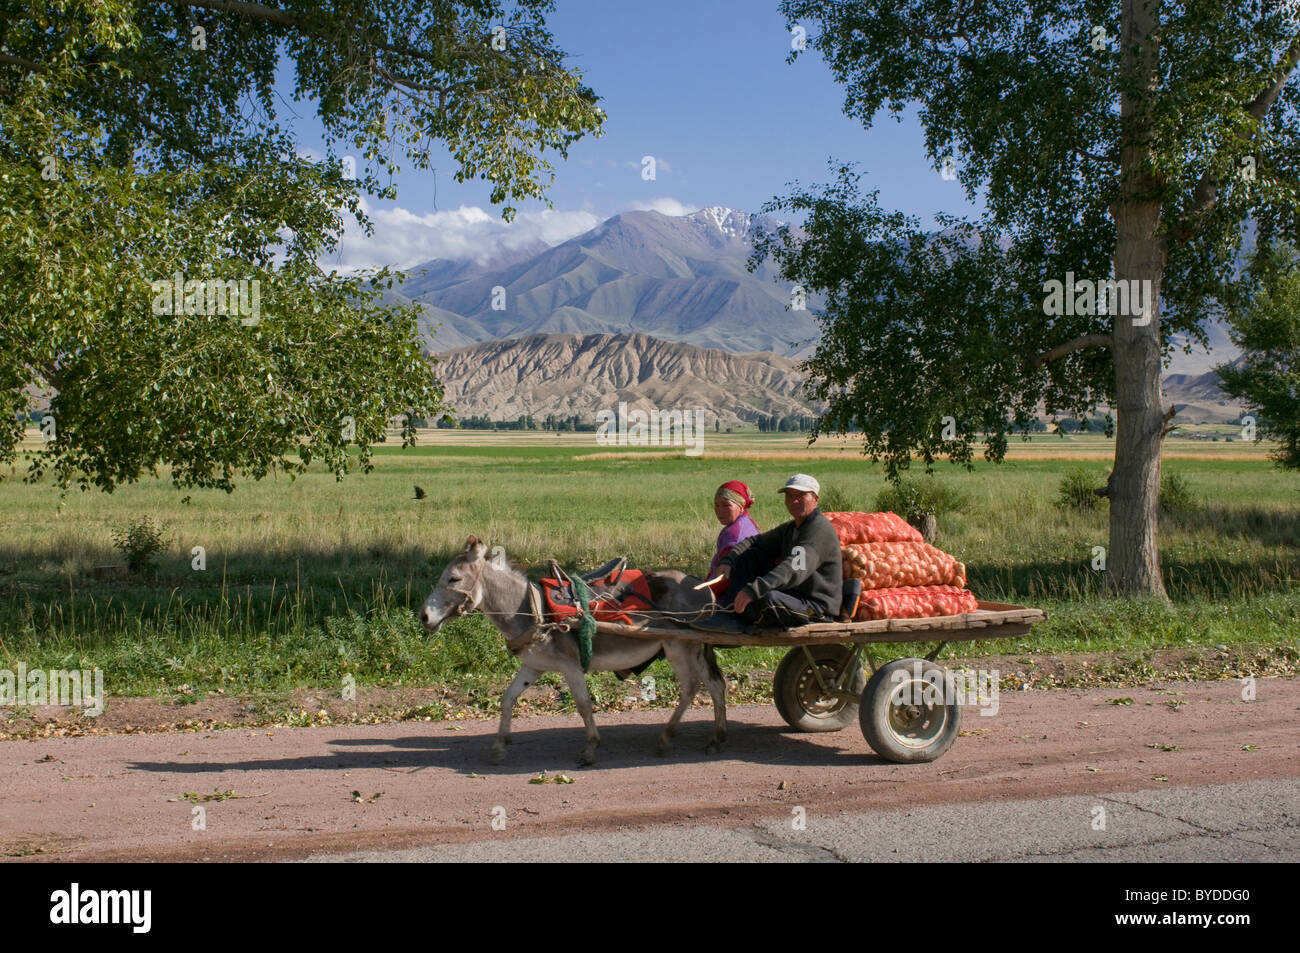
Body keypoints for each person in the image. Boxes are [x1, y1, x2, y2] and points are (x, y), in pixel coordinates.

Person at [708, 473, 842, 630]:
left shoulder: (818, 530)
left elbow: (794, 568)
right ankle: (732, 613)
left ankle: (742, 619)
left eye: (801, 495)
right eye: (790, 495)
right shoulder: (791, 528)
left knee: (768, 599)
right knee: (750, 555)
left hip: (816, 606)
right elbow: (754, 542)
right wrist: (728, 560)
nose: (794, 500)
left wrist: (753, 590)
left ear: (816, 499)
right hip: (794, 596)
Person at [707, 480, 759, 599]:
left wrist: (703, 596)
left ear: (740, 506)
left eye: (726, 505)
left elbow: (724, 578)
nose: (720, 510)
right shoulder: (743, 522)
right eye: (716, 504)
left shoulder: (735, 535)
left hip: (732, 597)